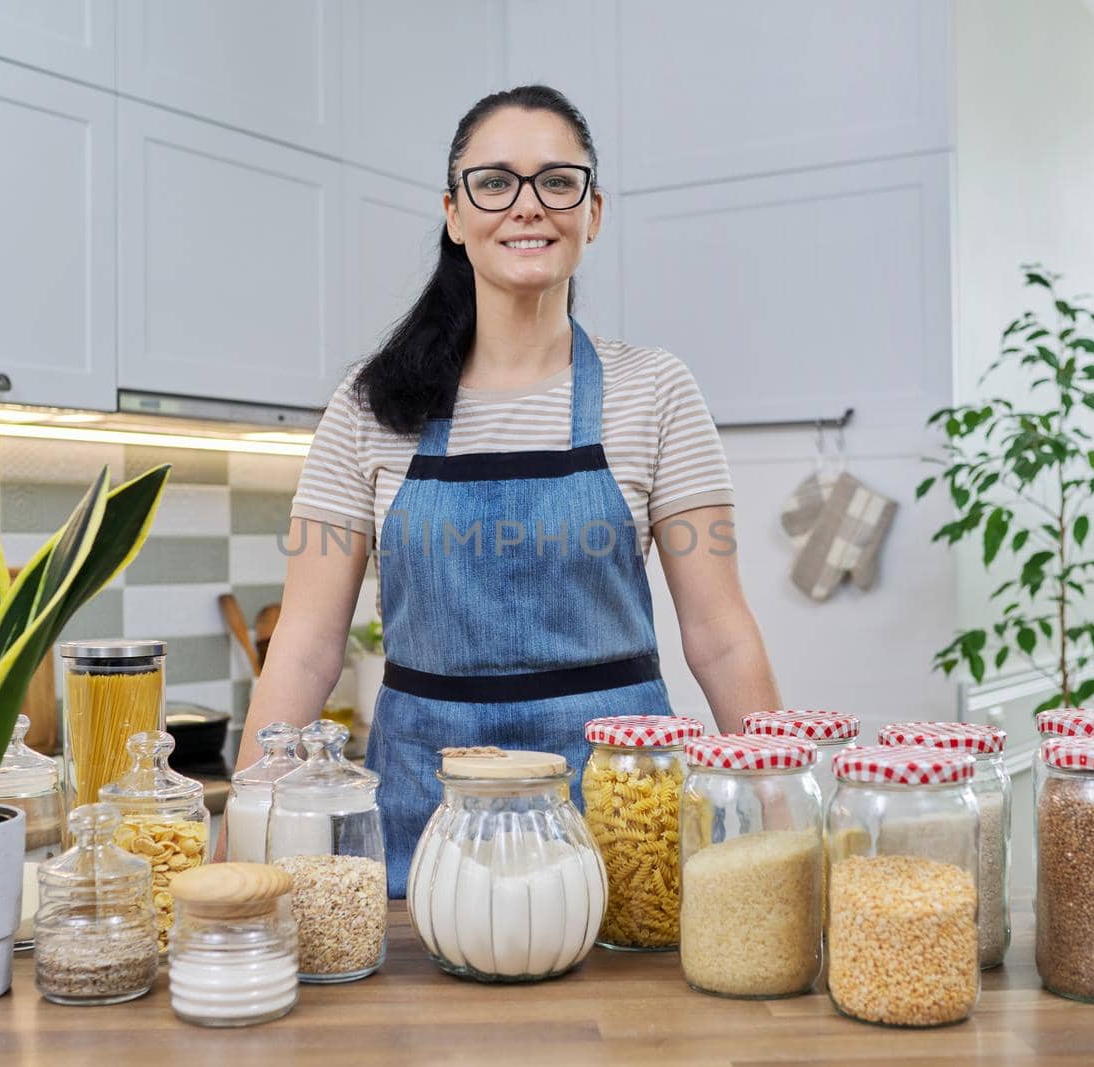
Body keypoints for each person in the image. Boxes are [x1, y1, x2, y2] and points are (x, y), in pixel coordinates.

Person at [232, 85, 781, 895]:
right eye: (495, 182)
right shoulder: (370, 404)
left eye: (557, 181)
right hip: (426, 829)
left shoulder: (656, 392)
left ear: (593, 212)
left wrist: (783, 808)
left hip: (623, 828)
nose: (528, 206)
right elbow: (307, 647)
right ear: (455, 213)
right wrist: (242, 834)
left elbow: (721, 634)